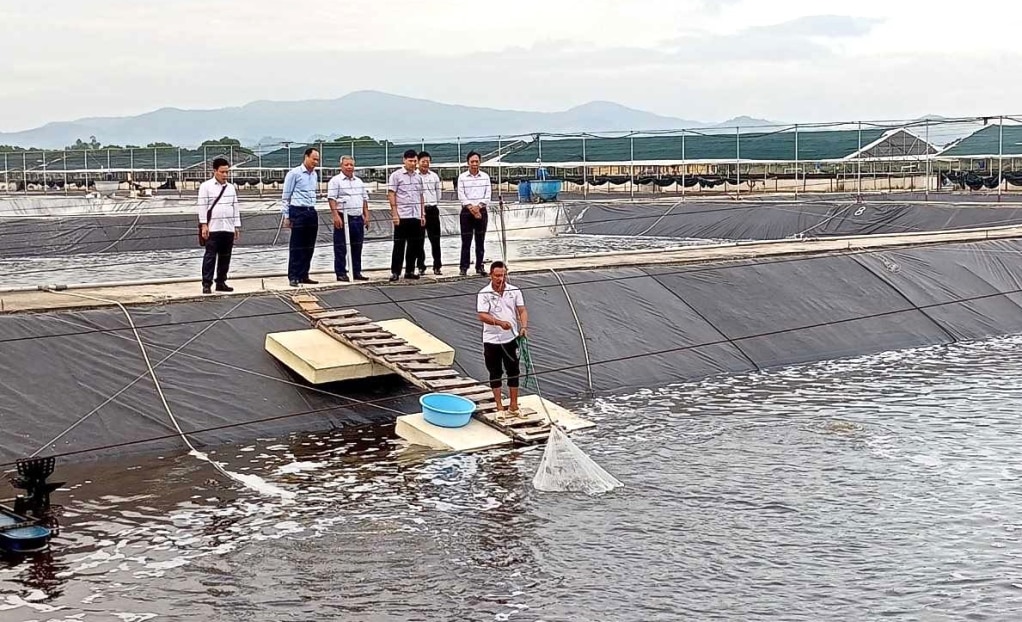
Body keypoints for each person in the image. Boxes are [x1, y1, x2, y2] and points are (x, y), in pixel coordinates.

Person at [476, 261, 528, 420]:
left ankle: (513, 405)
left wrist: (524, 326)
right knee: (495, 372)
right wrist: (498, 323)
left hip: (511, 338)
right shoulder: (484, 293)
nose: (501, 279)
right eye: (498, 276)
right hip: (492, 340)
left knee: (514, 371)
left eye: (504, 275)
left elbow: (522, 310)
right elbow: (482, 315)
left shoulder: (514, 290)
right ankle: (499, 406)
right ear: (491, 275)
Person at [197, 157, 240, 294]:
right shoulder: (206, 187)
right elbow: (202, 207)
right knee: (210, 256)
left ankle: (221, 282)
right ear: (215, 171)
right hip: (213, 227)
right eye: (222, 172)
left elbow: (235, 207)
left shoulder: (231, 188)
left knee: (225, 256)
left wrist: (236, 226)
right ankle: (207, 283)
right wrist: (204, 224)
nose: (225, 175)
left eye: (227, 172)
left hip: (227, 227)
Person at [327, 155, 371, 282]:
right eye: (346, 165)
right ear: (341, 166)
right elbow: (332, 199)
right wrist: (335, 216)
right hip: (343, 217)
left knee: (357, 246)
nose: (349, 167)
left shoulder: (359, 182)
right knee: (341, 247)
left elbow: (364, 200)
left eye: (351, 164)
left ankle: (356, 271)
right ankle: (340, 272)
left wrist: (366, 215)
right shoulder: (336, 181)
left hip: (357, 218)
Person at [281, 147, 320, 287]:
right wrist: (287, 216)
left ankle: (304, 274)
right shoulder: (294, 174)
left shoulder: (314, 175)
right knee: (297, 245)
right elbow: (286, 197)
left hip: (311, 211)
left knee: (309, 245)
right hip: (298, 211)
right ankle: (293, 275)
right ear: (306, 157)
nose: (315, 162)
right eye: (313, 159)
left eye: (317, 160)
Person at [387, 149, 425, 282]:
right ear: (404, 160)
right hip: (402, 215)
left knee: (414, 245)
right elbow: (392, 194)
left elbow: (421, 196)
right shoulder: (396, 175)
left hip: (415, 215)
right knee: (399, 245)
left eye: (415, 161)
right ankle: (395, 271)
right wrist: (394, 214)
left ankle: (410, 270)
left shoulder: (418, 177)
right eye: (410, 161)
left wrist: (422, 214)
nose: (413, 163)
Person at [457, 151, 491, 276]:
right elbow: (461, 195)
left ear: (480, 162)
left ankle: (479, 266)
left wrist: (479, 207)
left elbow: (488, 195)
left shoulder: (485, 177)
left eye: (477, 161)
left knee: (480, 240)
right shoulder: (462, 177)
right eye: (472, 161)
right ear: (468, 163)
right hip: (467, 211)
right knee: (466, 240)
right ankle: (464, 267)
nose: (474, 164)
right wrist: (471, 208)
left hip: (481, 210)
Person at [417, 151, 443, 276]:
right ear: (418, 162)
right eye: (423, 161)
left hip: (432, 210)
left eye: (428, 161)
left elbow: (438, 195)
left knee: (435, 240)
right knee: (419, 240)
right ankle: (421, 266)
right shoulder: (415, 177)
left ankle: (437, 266)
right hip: (419, 211)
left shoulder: (434, 176)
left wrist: (432, 203)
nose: (425, 164)